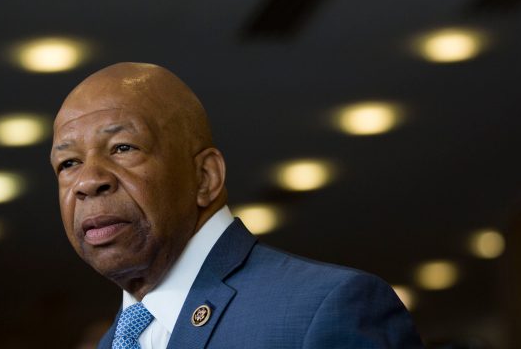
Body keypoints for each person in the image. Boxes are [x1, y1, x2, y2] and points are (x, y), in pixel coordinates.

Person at [51, 62, 424, 349]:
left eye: (123, 148)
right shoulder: (113, 342)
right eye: (68, 163)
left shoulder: (327, 308)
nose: (86, 181)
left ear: (205, 177)